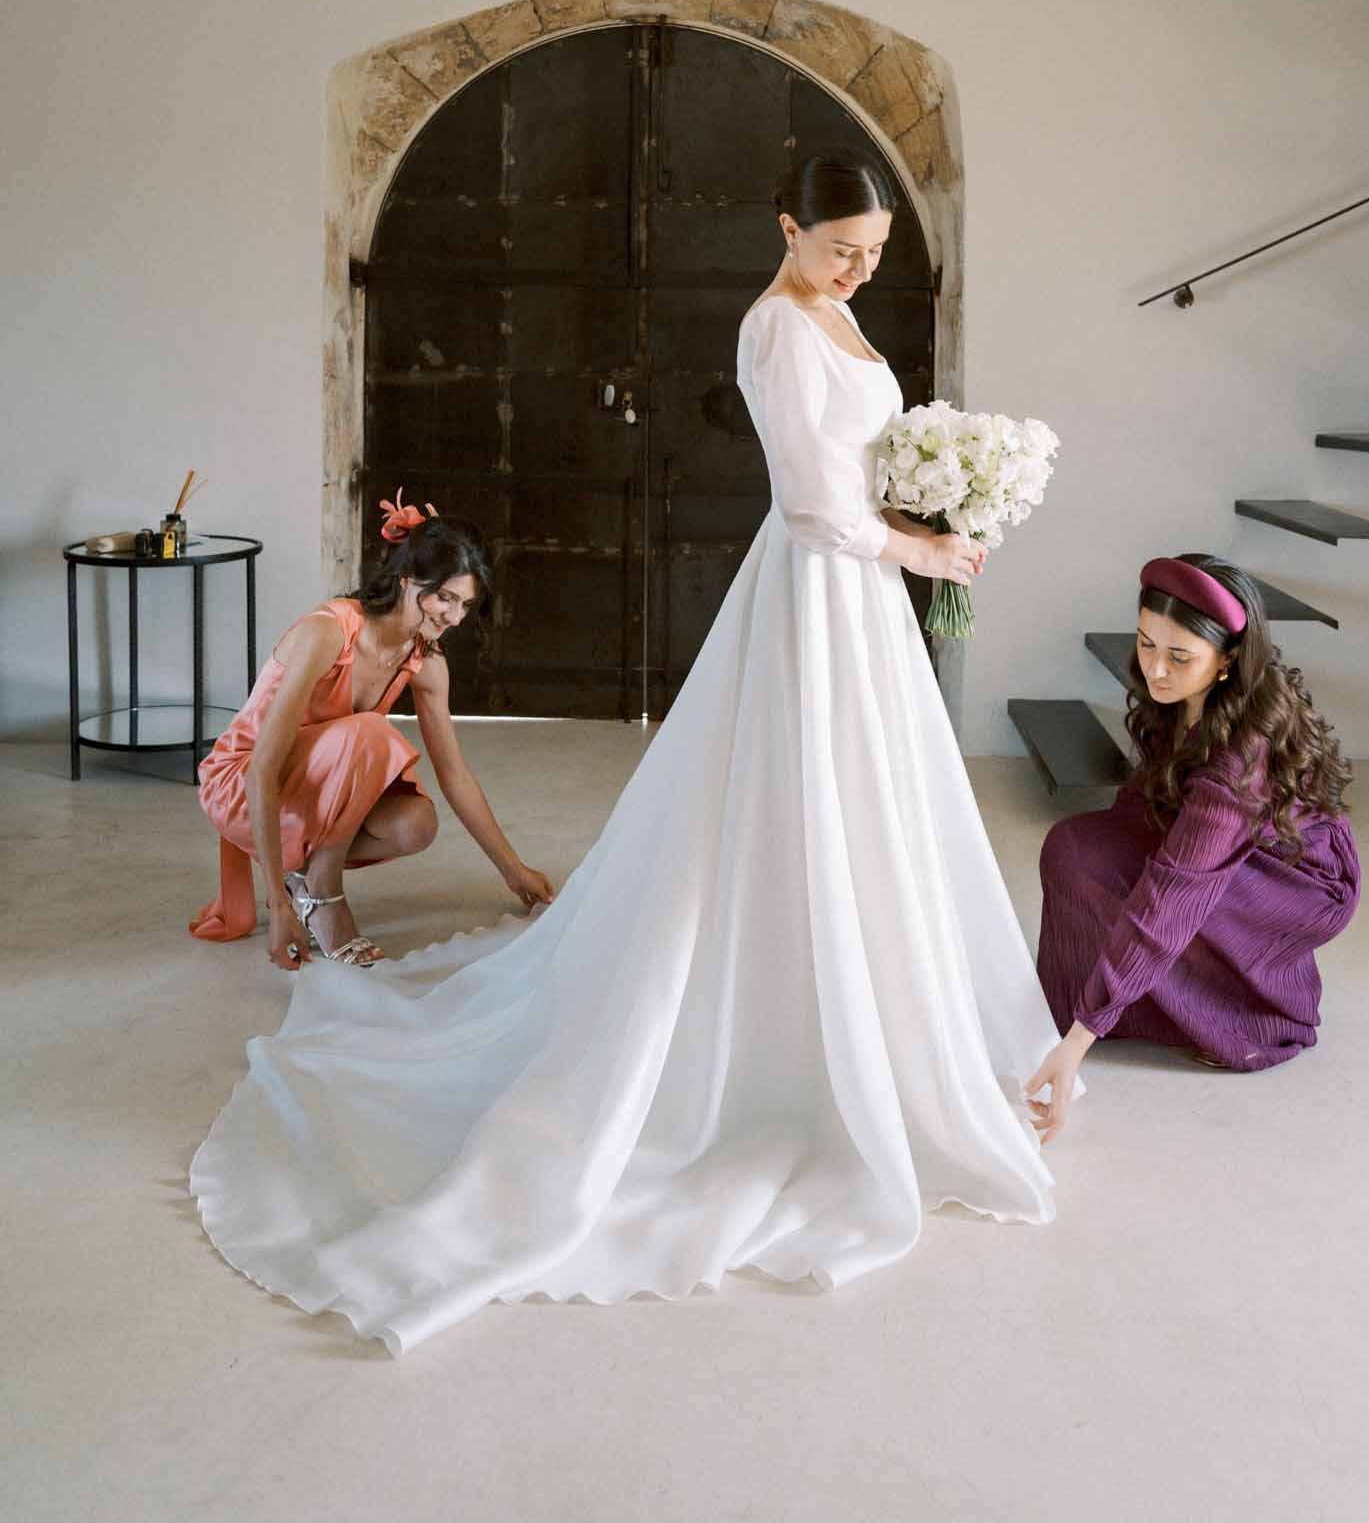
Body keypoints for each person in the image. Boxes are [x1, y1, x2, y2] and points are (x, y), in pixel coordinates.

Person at [190, 149, 1063, 1354]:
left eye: (871, 252)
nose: (856, 267)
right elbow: (811, 503)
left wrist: (931, 513)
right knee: (786, 800)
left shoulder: (841, 317)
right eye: (837, 247)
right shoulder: (775, 328)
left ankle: (898, 1025)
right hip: (817, 588)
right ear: (785, 225)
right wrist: (922, 553)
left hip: (859, 600)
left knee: (876, 804)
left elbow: (858, 476)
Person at [1025, 554, 1360, 1140]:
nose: (1154, 670)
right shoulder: (1178, 693)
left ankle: (1255, 1020)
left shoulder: (1241, 757)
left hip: (1293, 878)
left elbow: (1174, 891)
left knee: (1162, 902)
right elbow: (1137, 809)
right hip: (1222, 837)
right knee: (1075, 850)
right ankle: (1098, 1002)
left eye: (1179, 657)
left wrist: (1079, 1041)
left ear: (1228, 660)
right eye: (1146, 643)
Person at [188, 501, 554, 968]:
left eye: (465, 604)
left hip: (311, 793)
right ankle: (320, 892)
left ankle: (305, 875)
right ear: (407, 578)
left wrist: (512, 870)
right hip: (242, 784)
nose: (455, 617)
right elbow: (263, 766)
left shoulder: (426, 662)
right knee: (370, 731)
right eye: (444, 597)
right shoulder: (329, 633)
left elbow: (454, 774)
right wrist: (277, 908)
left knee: (417, 824)